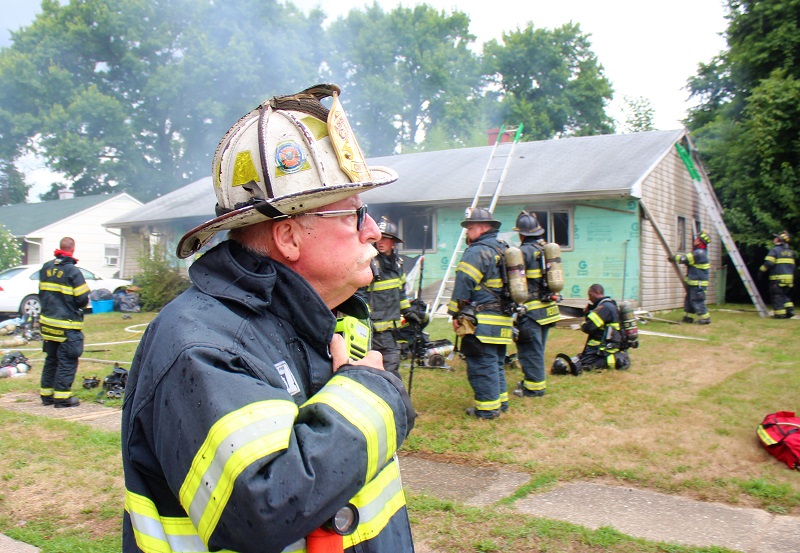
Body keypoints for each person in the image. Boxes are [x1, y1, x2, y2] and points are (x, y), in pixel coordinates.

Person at [121, 84, 416, 553]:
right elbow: (263, 509)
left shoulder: (328, 319)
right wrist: (370, 394)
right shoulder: (200, 346)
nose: (373, 231)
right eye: (353, 213)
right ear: (289, 236)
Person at [448, 207, 514, 419]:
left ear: (484, 228)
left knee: (482, 365)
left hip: (482, 321)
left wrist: (455, 314)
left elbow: (464, 284)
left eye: (471, 227)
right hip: (503, 319)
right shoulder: (503, 248)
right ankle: (500, 402)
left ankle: (487, 410)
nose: (468, 232)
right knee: (495, 362)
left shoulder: (477, 251)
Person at [511, 211, 560, 398]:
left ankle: (534, 388)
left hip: (531, 311)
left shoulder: (521, 253)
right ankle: (532, 381)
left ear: (521, 234)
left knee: (530, 351)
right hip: (548, 309)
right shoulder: (545, 249)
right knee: (538, 349)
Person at [358, 217, 414, 380]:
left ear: (393, 243)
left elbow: (401, 292)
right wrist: (367, 319)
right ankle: (393, 395)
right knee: (390, 364)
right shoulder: (370, 264)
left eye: (386, 238)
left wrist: (408, 311)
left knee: (384, 364)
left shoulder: (398, 264)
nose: (381, 242)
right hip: (376, 328)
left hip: (392, 327)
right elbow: (360, 294)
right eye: (379, 238)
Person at [39, 236, 89, 408]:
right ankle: (62, 398)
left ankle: (46, 395)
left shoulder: (46, 268)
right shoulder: (73, 272)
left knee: (51, 359)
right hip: (66, 326)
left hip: (47, 325)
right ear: (72, 250)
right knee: (67, 361)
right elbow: (82, 299)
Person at [572, 283, 630, 371]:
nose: (589, 298)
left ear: (598, 292)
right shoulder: (610, 305)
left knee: (584, 364)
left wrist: (584, 320)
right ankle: (618, 358)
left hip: (603, 348)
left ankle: (617, 359)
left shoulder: (604, 308)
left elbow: (589, 327)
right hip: (609, 345)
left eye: (590, 295)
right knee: (581, 359)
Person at [671, 231, 711, 324]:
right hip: (694, 283)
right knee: (689, 301)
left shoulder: (699, 253)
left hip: (698, 284)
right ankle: (688, 318)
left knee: (697, 300)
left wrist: (674, 258)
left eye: (697, 239)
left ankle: (705, 318)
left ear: (701, 241)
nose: (695, 240)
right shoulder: (700, 252)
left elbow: (684, 259)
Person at [759, 230, 795, 318]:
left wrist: (761, 271)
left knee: (777, 296)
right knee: (784, 296)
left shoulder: (775, 250)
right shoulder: (790, 252)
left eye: (776, 238)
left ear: (779, 240)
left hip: (777, 279)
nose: (774, 239)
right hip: (789, 279)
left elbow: (769, 263)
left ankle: (780, 314)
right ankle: (790, 311)